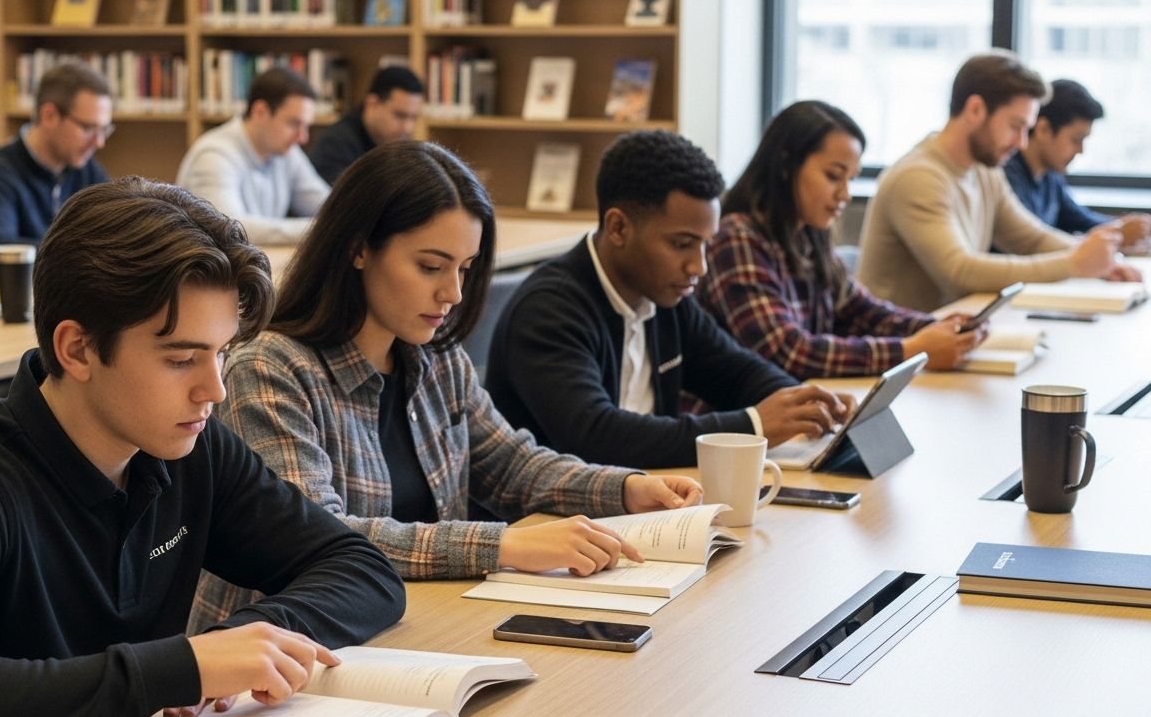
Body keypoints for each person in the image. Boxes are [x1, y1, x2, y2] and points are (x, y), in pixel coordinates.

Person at [0, 177, 405, 717]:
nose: (215, 390)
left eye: (221, 353)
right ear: (77, 350)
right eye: (181, 359)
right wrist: (183, 668)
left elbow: (361, 568)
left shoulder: (192, 447)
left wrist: (242, 645)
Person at [190, 140, 703, 630]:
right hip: (286, 648)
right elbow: (322, 537)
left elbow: (513, 466)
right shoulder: (270, 369)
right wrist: (505, 546)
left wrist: (626, 488)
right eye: (431, 266)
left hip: (413, 624)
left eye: (465, 268)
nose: (453, 292)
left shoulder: (435, 356)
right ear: (358, 249)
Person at [485, 130, 854, 470]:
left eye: (705, 245)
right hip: (557, 513)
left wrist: (804, 403)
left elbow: (737, 372)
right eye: (682, 244)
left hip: (646, 497)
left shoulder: (666, 299)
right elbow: (596, 437)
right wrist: (753, 425)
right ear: (618, 228)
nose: (699, 266)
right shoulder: (548, 310)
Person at [699, 100, 985, 378]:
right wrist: (910, 350)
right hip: (741, 410)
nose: (845, 194)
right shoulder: (736, 238)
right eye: (834, 176)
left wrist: (940, 327)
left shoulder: (808, 234)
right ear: (786, 165)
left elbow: (862, 311)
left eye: (851, 179)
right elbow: (788, 351)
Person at [857, 51, 1139, 312]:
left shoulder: (984, 170)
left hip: (949, 331)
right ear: (975, 110)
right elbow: (959, 273)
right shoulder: (918, 177)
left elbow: (1031, 239)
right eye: (1016, 126)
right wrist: (1073, 264)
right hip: (902, 343)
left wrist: (1101, 261)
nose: (1022, 143)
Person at [0, 62, 111, 276]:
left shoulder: (89, 171)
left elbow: (117, 235)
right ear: (49, 116)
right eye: (88, 128)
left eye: (104, 130)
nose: (99, 142)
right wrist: (88, 254)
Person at [176, 68, 330, 245]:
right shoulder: (213, 156)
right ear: (260, 111)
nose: (303, 137)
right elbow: (229, 230)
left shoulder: (287, 153)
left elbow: (327, 205)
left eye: (306, 126)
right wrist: (321, 229)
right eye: (294, 124)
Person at [1004, 78, 1150, 247]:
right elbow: (1032, 243)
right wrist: (1118, 233)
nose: (1080, 150)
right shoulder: (1007, 177)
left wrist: (1124, 227)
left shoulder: (1050, 176)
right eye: (1076, 139)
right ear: (1044, 129)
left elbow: (1081, 219)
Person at [308, 65, 424, 185]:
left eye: (413, 117)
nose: (408, 128)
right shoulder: (334, 146)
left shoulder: (395, 144)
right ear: (372, 104)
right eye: (400, 115)